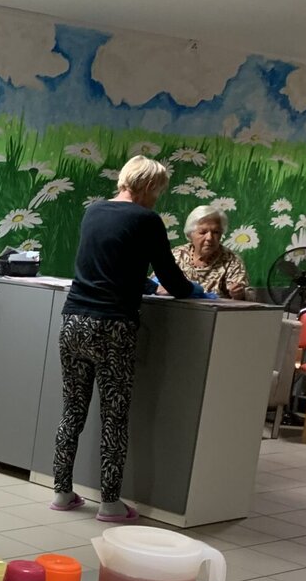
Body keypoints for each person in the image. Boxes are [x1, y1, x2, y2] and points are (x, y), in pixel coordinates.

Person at [51, 155, 197, 522]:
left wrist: (141, 283)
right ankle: (110, 503)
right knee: (114, 417)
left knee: (72, 411)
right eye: (157, 191)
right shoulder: (147, 220)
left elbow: (108, 265)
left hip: (73, 320)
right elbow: (171, 276)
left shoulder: (93, 211)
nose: (156, 199)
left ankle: (62, 493)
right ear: (147, 186)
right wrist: (194, 292)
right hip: (112, 327)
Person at [169, 205, 249, 300]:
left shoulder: (232, 260)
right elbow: (156, 284)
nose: (209, 238)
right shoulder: (176, 255)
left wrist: (238, 294)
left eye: (216, 232)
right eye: (203, 232)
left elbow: (244, 295)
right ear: (190, 234)